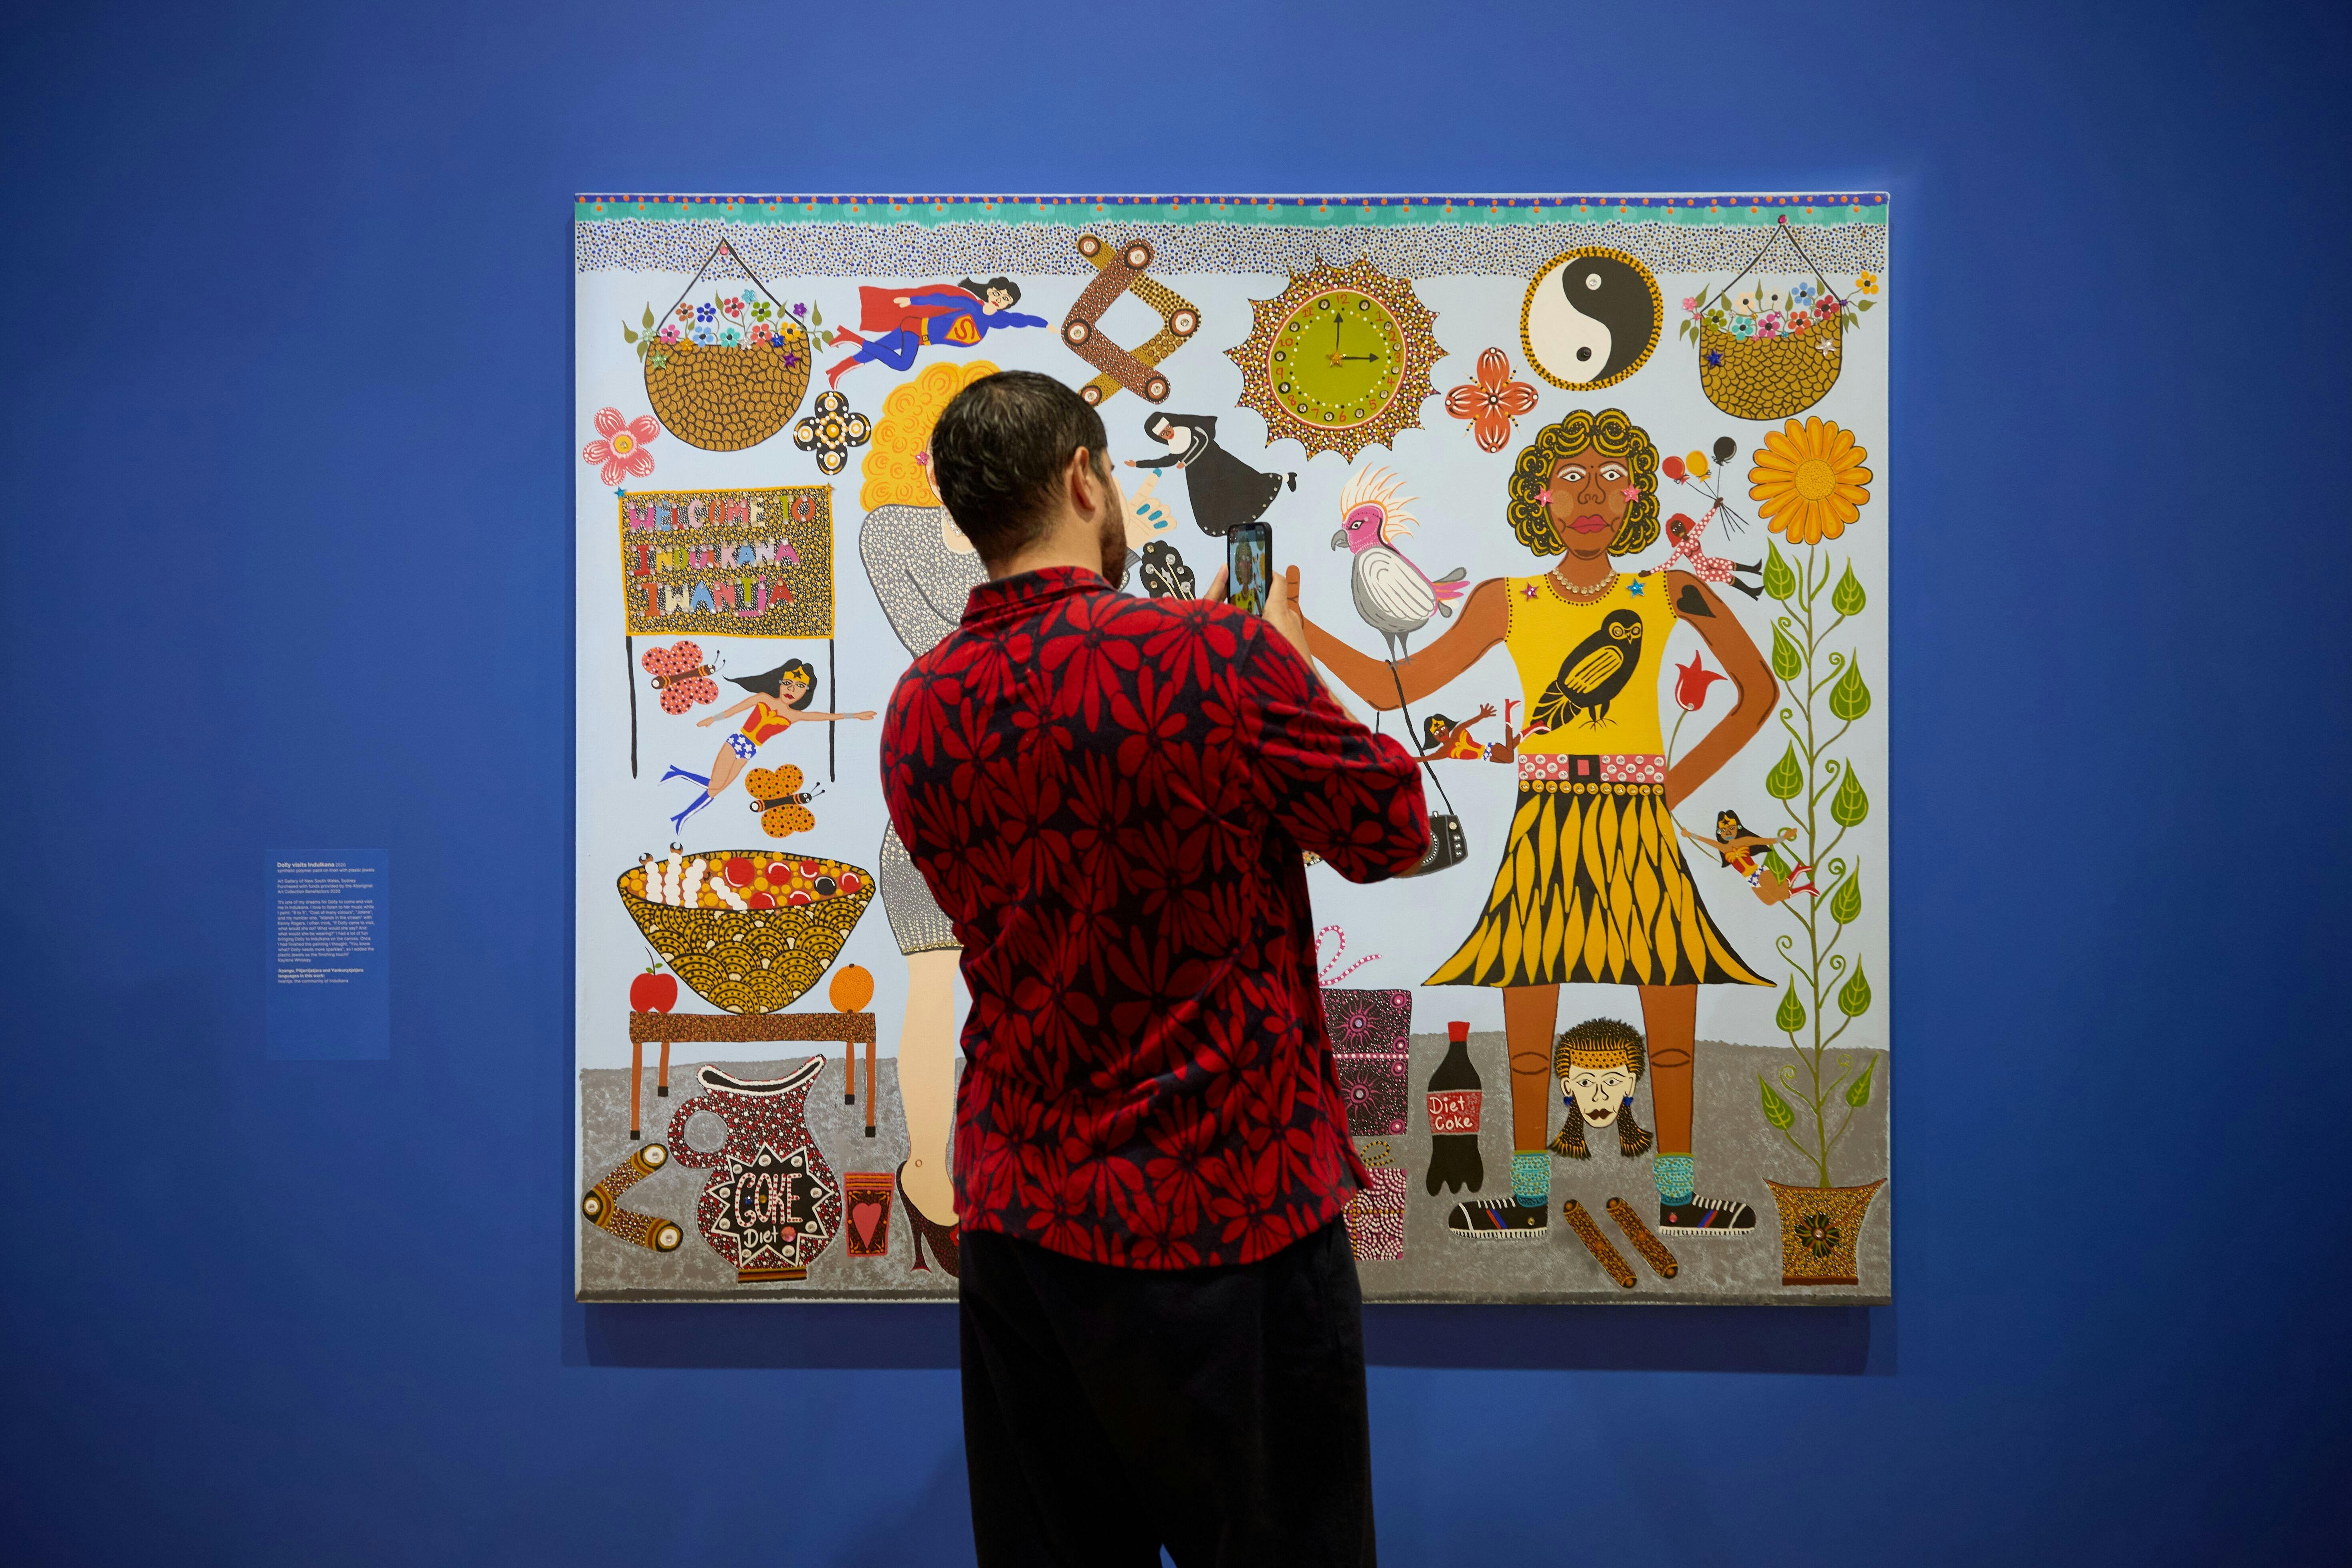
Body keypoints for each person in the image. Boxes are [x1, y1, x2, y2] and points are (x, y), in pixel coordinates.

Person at [882, 369, 1426, 1566]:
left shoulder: (920, 706)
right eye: (1116, 474)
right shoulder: (1214, 657)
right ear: (1084, 478)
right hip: (1228, 1208)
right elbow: (1389, 826)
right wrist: (1289, 659)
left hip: (1025, 1218)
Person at [1304, 407, 1777, 1241]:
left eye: (1611, 478)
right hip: (1548, 820)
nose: (1591, 495)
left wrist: (1669, 790)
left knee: (1670, 1004)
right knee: (1529, 1009)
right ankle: (1526, 1196)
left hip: (1635, 824)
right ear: (1541, 498)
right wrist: (1296, 628)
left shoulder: (1673, 590)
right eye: (1570, 479)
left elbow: (1758, 692)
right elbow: (1390, 687)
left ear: (1635, 496)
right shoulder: (1507, 602)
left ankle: (1676, 1194)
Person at [658, 658, 873, 835]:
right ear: (779, 682)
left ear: (806, 692)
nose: (791, 689)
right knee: (716, 786)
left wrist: (855, 716)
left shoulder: (794, 716)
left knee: (718, 789)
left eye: (800, 686)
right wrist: (713, 719)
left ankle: (679, 800)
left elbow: (823, 716)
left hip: (750, 751)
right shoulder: (763, 698)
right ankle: (682, 799)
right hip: (737, 742)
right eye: (788, 683)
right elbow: (736, 709)